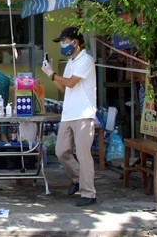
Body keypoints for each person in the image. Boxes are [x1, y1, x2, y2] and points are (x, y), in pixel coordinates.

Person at [42, 26, 97, 207]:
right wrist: (51, 76)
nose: (63, 45)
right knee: (61, 151)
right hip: (68, 114)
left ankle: (89, 193)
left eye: (64, 41)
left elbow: (72, 83)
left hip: (83, 114)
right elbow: (63, 88)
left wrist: (52, 74)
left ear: (75, 42)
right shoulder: (70, 63)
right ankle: (77, 178)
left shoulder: (85, 60)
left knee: (83, 154)